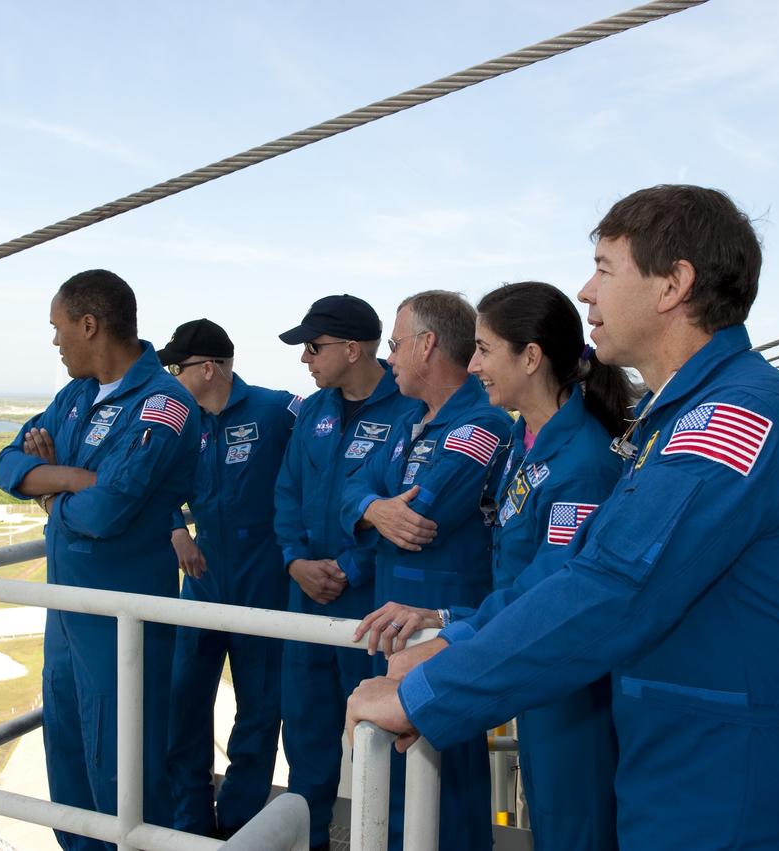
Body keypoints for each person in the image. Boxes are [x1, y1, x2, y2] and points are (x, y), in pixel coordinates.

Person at [347, 185, 779, 850]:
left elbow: (616, 586)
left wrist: (429, 693)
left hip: (727, 792)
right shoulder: (675, 421)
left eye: (606, 268)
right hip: (677, 772)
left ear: (673, 284)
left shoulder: (735, 418)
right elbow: (578, 570)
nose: (586, 291)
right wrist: (453, 641)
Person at [356, 281, 633, 850]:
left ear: (530, 357)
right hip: (526, 659)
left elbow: (551, 589)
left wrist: (448, 625)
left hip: (567, 684)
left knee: (572, 829)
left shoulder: (580, 462)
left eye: (483, 350)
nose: (473, 364)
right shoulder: (523, 443)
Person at [0, 269, 199, 851]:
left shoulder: (164, 403)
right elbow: (7, 465)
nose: (55, 342)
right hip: (66, 617)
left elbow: (108, 512)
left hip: (123, 622)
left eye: (58, 329)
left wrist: (51, 495)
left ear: (90, 325)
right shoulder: (76, 395)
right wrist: (72, 480)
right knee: (69, 766)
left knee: (127, 775)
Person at [340, 290, 512, 851]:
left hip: (445, 630)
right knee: (395, 786)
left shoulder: (482, 424)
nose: (389, 357)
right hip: (391, 619)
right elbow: (349, 486)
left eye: (394, 344)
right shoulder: (405, 421)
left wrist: (379, 507)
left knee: (447, 790)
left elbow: (424, 516)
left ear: (427, 344)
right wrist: (371, 508)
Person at [273, 294, 423, 851]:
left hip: (371, 606)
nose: (305, 360)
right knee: (307, 738)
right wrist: (294, 560)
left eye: (313, 347)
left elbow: (411, 512)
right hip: (306, 599)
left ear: (352, 348)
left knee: (384, 743)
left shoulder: (410, 409)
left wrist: (351, 566)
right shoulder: (314, 411)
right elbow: (287, 491)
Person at [157, 318, 299, 838]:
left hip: (264, 584)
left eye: (178, 367)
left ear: (210, 367)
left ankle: (237, 825)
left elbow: (317, 469)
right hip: (204, 581)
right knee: (183, 704)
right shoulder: (180, 423)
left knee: (260, 713)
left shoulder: (276, 409)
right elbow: (155, 484)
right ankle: (190, 823)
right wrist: (175, 528)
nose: (170, 377)